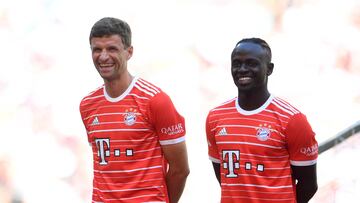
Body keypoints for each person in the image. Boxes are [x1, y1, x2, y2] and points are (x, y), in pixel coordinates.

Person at [79, 17, 189, 203]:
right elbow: (104, 165)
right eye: (97, 49)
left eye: (112, 49)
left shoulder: (155, 101)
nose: (103, 56)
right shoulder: (88, 104)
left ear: (129, 52)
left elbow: (180, 170)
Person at [205, 38, 318, 203]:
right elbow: (224, 177)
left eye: (251, 63)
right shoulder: (215, 117)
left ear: (269, 69)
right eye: (236, 63)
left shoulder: (292, 119)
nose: (242, 69)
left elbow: (308, 185)